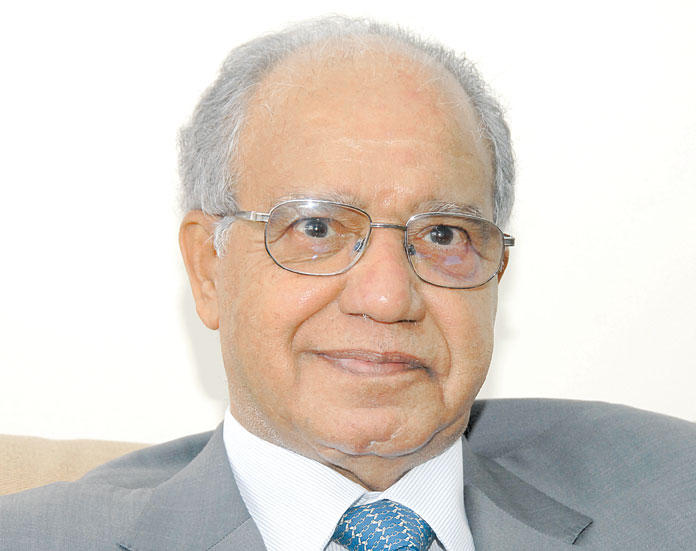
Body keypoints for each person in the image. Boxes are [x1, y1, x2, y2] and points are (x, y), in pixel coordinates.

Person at [1, 16, 695, 551]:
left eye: (443, 234)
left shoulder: (673, 495)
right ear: (208, 268)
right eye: (317, 227)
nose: (388, 297)